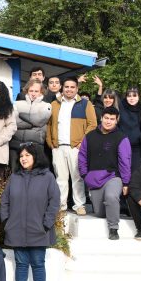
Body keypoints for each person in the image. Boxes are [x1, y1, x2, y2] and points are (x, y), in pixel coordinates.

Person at [0, 143, 59, 281]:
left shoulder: (48, 177)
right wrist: (6, 222)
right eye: (21, 156)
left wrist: (46, 224)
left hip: (39, 230)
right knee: (21, 265)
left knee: (38, 264)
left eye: (27, 155)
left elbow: (54, 202)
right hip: (16, 229)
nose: (23, 159)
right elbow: (5, 201)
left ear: (36, 157)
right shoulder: (15, 177)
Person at [78, 107, 132, 239]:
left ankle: (113, 228)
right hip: (94, 179)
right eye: (106, 118)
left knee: (111, 196)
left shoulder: (121, 137)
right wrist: (85, 175)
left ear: (116, 121)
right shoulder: (90, 136)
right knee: (99, 213)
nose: (108, 121)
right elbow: (82, 156)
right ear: (101, 118)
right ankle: (112, 211)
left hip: (113, 177)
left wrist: (126, 182)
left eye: (112, 119)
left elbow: (125, 161)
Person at [46, 76, 97, 214]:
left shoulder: (85, 104)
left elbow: (92, 124)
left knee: (77, 177)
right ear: (62, 88)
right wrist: (51, 142)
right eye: (67, 87)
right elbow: (49, 124)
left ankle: (79, 205)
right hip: (58, 147)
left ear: (77, 89)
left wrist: (82, 143)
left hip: (76, 147)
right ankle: (61, 205)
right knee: (60, 178)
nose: (69, 89)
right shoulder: (54, 104)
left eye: (72, 87)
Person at [11, 80, 51, 162]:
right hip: (16, 144)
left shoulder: (46, 105)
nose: (33, 93)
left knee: (35, 169)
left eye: (36, 91)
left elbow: (38, 121)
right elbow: (13, 121)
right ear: (27, 91)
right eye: (31, 91)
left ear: (41, 92)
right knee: (15, 169)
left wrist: (21, 115)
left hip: (36, 145)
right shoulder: (16, 104)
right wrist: (30, 124)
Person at [118, 88, 141, 171]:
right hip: (122, 144)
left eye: (134, 96)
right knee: (123, 170)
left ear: (139, 97)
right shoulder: (120, 106)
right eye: (129, 96)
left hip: (137, 146)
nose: (132, 98)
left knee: (136, 170)